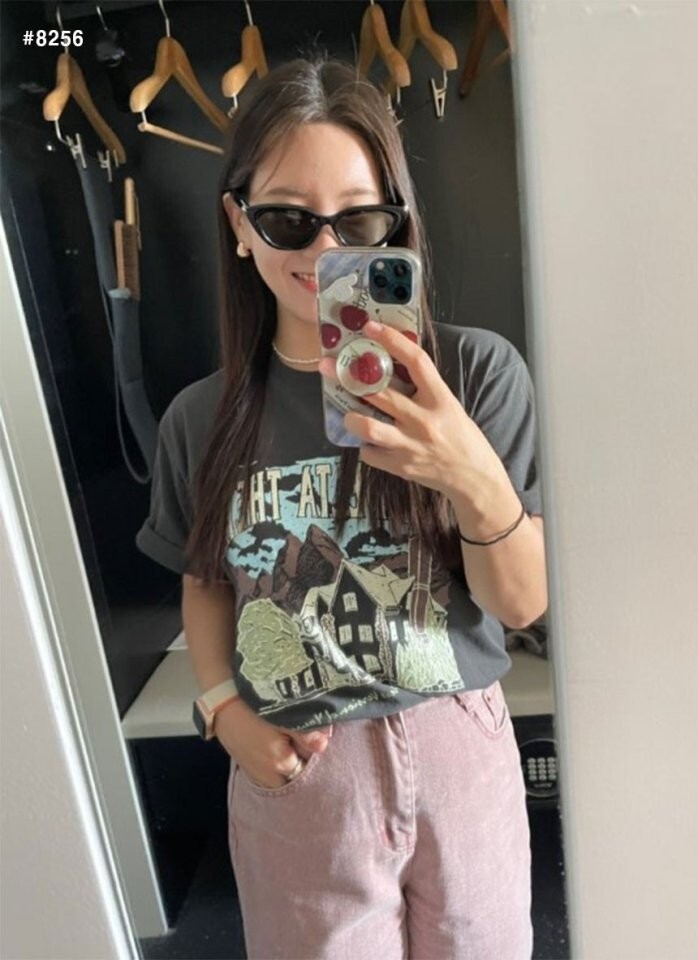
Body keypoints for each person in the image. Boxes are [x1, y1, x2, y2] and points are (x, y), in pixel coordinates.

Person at [137, 56, 547, 960]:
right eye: (288, 218)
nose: (325, 251)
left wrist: (468, 470)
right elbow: (206, 582)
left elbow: (520, 605)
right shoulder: (200, 419)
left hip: (457, 742)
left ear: (396, 222)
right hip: (299, 767)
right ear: (239, 225)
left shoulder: (477, 375)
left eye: (358, 219)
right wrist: (222, 709)